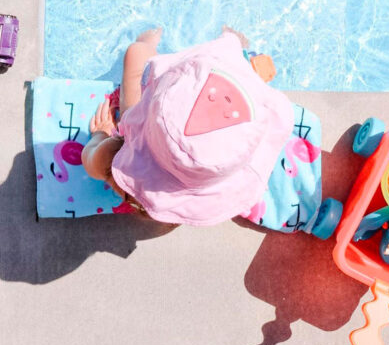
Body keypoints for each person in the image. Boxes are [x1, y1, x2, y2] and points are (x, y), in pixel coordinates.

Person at [82, 27, 325, 233]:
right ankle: (247, 71)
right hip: (219, 89)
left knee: (136, 52)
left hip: (159, 115)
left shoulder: (114, 157)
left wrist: (101, 134)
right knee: (234, 60)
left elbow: (89, 159)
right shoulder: (229, 165)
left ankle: (150, 39)